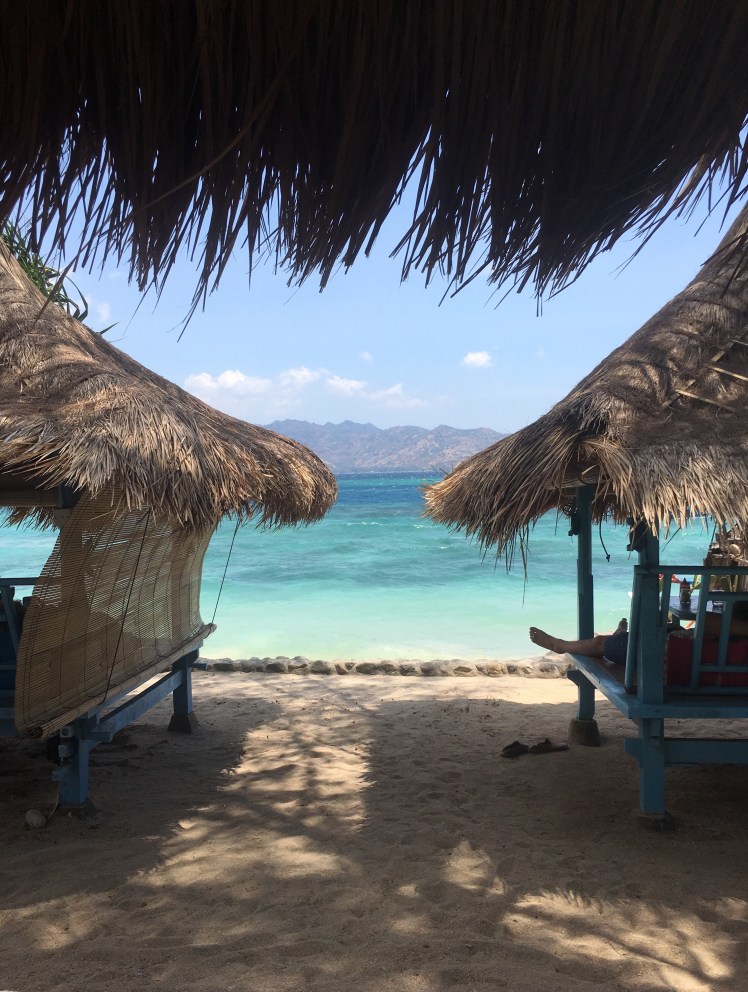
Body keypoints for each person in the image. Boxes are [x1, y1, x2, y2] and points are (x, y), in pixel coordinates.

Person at [530, 609, 748, 666]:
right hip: (678, 643)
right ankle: (620, 635)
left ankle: (559, 645)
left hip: (664, 653)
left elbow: (708, 622)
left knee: (600, 643)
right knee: (661, 628)